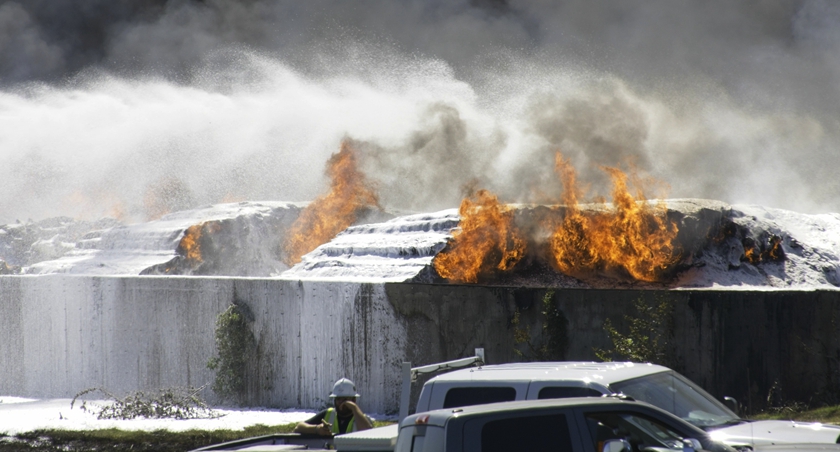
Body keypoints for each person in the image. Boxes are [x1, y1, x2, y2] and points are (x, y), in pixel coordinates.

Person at [294, 378, 373, 436]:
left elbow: (369, 435)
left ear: (354, 400)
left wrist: (354, 408)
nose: (341, 403)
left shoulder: (362, 419)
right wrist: (316, 429)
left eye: (345, 399)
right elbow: (298, 427)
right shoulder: (328, 414)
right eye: (338, 399)